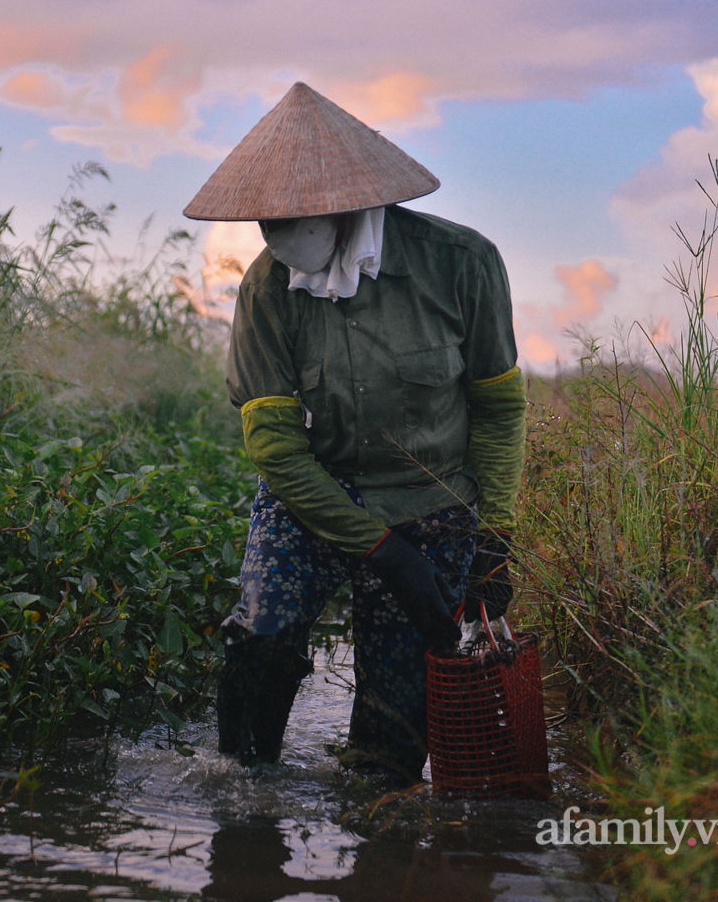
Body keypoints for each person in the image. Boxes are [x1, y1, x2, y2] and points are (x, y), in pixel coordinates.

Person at [183, 82, 527, 786]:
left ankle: (376, 832)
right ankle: (243, 800)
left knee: (391, 744)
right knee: (262, 639)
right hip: (315, 490)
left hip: (432, 499)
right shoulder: (266, 290)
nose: (280, 233)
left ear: (347, 204)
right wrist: (377, 548)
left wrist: (493, 534)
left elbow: (497, 412)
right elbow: (276, 448)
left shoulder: (461, 264)